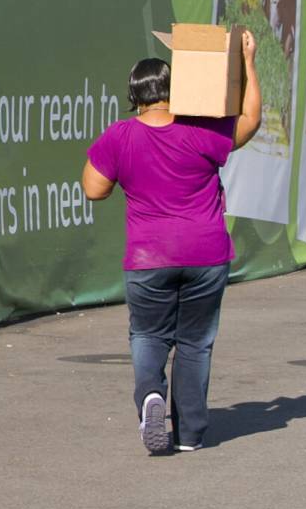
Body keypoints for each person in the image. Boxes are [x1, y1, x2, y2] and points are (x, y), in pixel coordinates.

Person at [81, 32, 261, 454]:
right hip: (206, 253)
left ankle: (150, 397)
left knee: (148, 336)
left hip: (148, 257)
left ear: (134, 96)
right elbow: (251, 118)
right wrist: (248, 61)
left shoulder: (120, 137)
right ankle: (192, 434)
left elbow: (94, 189)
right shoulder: (202, 130)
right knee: (195, 342)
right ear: (173, 90)